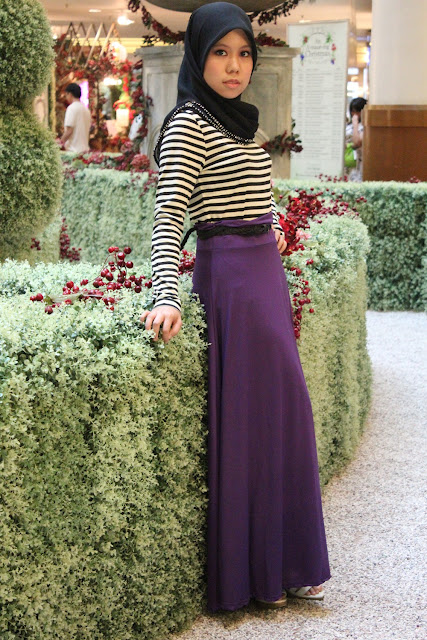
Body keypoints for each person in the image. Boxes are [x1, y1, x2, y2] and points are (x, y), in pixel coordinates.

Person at [141, 2, 330, 612]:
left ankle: (288, 562)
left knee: (284, 413)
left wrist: (271, 221)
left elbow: (258, 191)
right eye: (220, 53)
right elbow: (169, 217)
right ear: (198, 55)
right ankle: (258, 573)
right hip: (230, 285)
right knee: (251, 423)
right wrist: (166, 295)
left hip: (264, 276)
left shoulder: (242, 121)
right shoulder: (187, 124)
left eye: (243, 53)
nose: (233, 66)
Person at [60, 83, 91, 153]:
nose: (66, 98)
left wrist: (60, 143)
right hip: (85, 150)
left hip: (73, 151)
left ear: (70, 94)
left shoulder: (71, 108)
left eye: (66, 95)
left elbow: (69, 130)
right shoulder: (86, 110)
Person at [345, 97, 367, 181]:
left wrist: (355, 124)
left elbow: (357, 143)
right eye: (352, 111)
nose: (354, 114)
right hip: (346, 164)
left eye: (357, 111)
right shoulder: (348, 126)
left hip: (359, 164)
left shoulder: (364, 127)